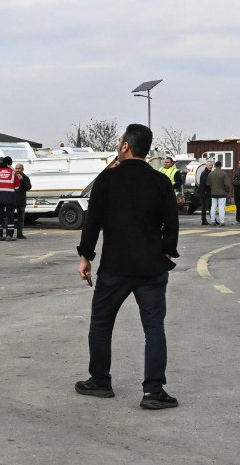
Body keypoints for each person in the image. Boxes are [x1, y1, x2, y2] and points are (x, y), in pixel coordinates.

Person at [75, 123, 180, 410]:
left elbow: (92, 222)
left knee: (101, 324)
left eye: (120, 141)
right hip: (151, 269)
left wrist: (86, 257)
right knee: (154, 329)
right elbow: (171, 225)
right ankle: (154, 392)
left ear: (125, 146)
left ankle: (99, 381)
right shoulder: (161, 182)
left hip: (114, 268)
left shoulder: (106, 180)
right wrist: (168, 252)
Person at [0, 156, 20, 240]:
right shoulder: (13, 172)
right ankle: (9, 235)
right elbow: (17, 186)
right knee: (10, 216)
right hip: (10, 198)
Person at [207, 160, 230, 226]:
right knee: (221, 208)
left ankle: (212, 221)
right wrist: (227, 191)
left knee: (213, 207)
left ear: (214, 166)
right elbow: (227, 184)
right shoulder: (224, 173)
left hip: (213, 193)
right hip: (222, 193)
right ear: (221, 166)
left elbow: (208, 184)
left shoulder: (210, 174)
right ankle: (222, 222)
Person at [13, 163, 32, 239]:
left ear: (22, 169)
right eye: (16, 168)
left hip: (21, 202)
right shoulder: (12, 177)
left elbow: (28, 187)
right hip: (12, 201)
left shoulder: (25, 178)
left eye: (19, 168)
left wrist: (22, 180)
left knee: (21, 218)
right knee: (10, 218)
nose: (17, 170)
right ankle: (9, 233)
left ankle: (19, 233)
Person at [196, 159, 213, 225]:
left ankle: (212, 219)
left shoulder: (208, 172)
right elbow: (205, 183)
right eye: (209, 165)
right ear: (206, 165)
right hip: (205, 192)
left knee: (210, 206)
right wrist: (212, 186)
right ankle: (204, 220)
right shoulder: (205, 173)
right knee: (205, 207)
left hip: (207, 192)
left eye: (211, 165)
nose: (210, 166)